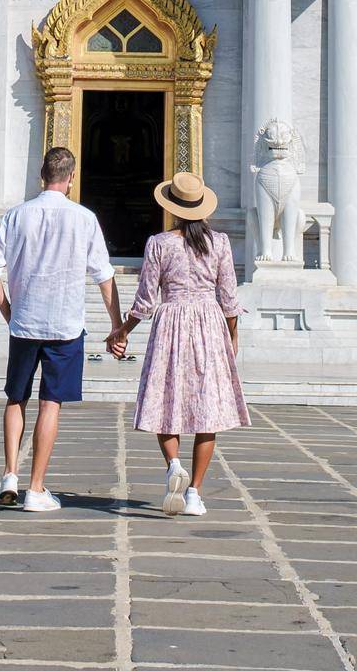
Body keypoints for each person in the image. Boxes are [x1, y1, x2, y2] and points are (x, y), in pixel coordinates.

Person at [0, 144, 120, 512]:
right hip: (65, 325)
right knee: (50, 403)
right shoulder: (84, 218)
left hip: (24, 323)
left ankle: (9, 474)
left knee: (16, 398)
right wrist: (117, 326)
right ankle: (36, 488)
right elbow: (105, 278)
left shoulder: (16, 216)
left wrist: (9, 312)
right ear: (71, 179)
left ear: (41, 175)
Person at [107, 170, 248, 516]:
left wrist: (123, 331)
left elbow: (145, 300)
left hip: (170, 321)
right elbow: (229, 298)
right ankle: (195, 493)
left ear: (172, 208)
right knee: (207, 411)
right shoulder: (219, 243)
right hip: (208, 323)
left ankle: (173, 464)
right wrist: (232, 334)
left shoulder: (159, 243)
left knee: (165, 401)